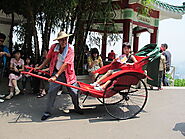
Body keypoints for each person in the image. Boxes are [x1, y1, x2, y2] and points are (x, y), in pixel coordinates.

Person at [36, 31, 83, 121]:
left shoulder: (70, 49)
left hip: (68, 75)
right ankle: (47, 112)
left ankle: (77, 107)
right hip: (56, 72)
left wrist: (56, 76)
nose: (63, 42)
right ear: (58, 41)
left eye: (65, 39)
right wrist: (40, 67)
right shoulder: (54, 47)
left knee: (74, 92)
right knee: (51, 92)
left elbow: (66, 64)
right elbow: (48, 58)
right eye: (61, 40)